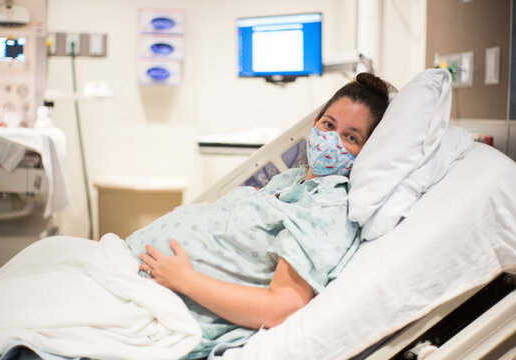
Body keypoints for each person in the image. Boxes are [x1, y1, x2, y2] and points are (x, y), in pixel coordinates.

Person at [126, 72, 390, 359]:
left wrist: (184, 279)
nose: (331, 141)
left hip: (158, 304)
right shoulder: (293, 180)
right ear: (315, 124)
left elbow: (282, 306)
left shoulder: (327, 207)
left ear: (365, 151)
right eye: (328, 125)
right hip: (136, 275)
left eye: (350, 137)